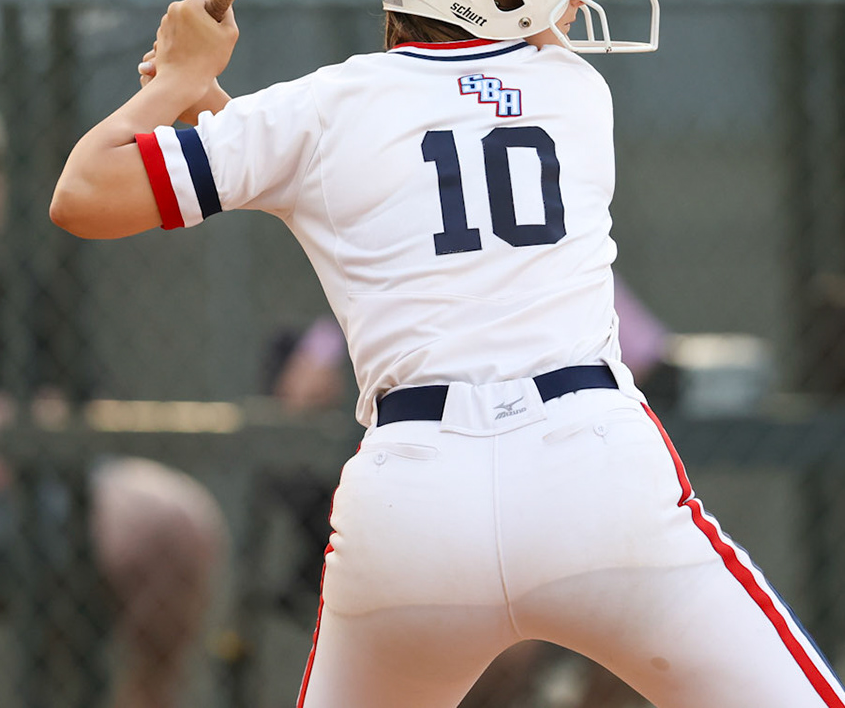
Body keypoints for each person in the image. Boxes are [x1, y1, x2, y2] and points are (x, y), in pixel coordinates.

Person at [52, 0, 845, 708]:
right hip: (592, 472)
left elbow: (85, 193)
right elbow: (420, 147)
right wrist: (210, 102)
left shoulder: (320, 110)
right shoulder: (574, 92)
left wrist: (173, 82)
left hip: (416, 500)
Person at [0, 91, 225, 708]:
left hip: (43, 490)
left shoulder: (28, 296)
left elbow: (88, 413)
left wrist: (17, 428)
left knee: (176, 523)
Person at [270, 277, 672, 708]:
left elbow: (652, 357)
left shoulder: (565, 274)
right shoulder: (410, 280)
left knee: (644, 633)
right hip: (434, 515)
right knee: (506, 643)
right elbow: (301, 389)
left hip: (550, 507)